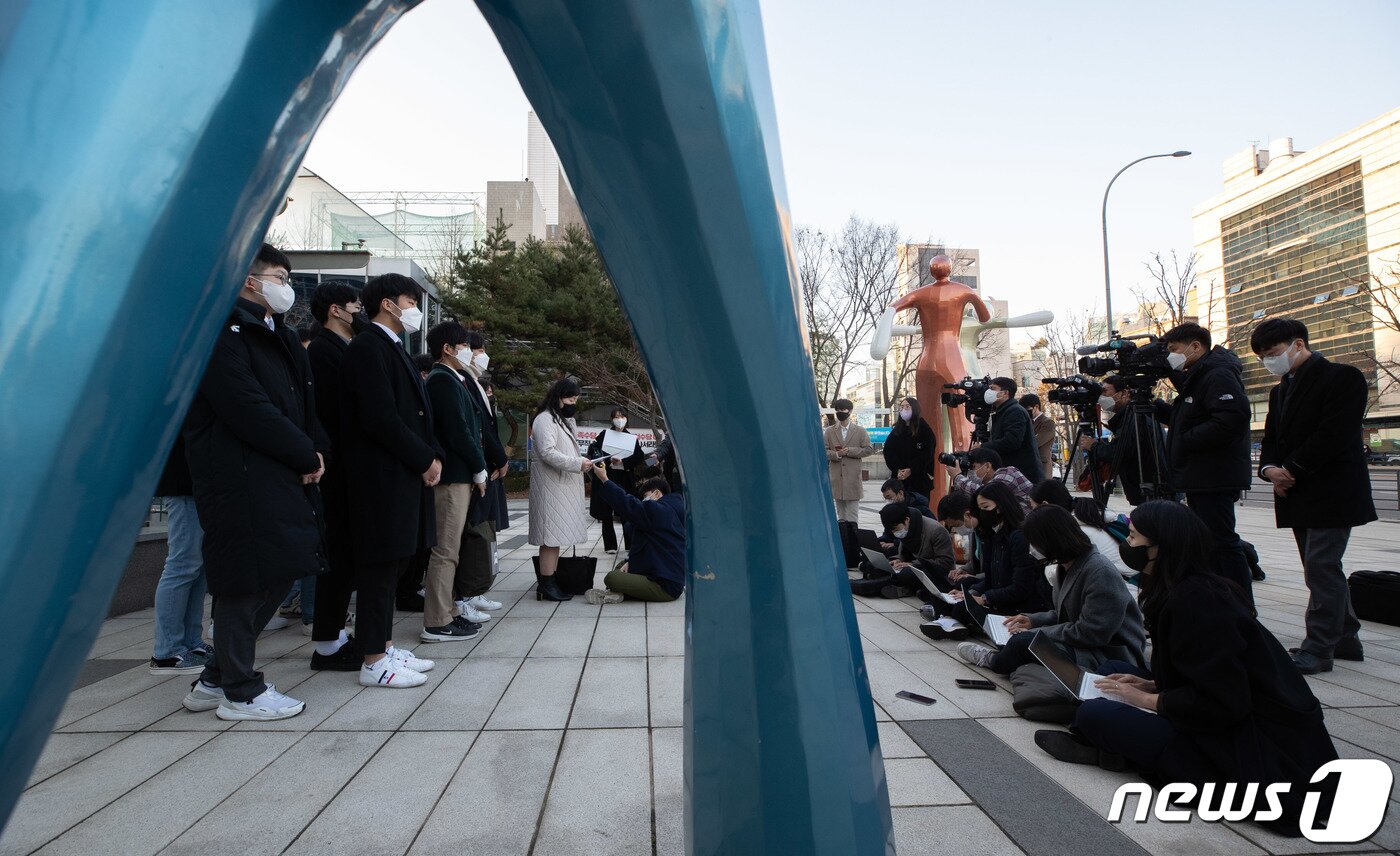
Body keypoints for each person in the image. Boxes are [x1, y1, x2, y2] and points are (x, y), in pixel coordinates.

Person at [1034, 501, 1338, 838]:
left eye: (1133, 537)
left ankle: (1114, 747)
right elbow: (1198, 672)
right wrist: (1150, 684)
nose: (1126, 545)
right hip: (1217, 710)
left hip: (1245, 738)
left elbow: (1223, 703)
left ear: (1162, 547)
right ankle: (1114, 744)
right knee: (1111, 670)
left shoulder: (1195, 604)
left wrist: (1149, 700)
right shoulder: (1185, 588)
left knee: (1095, 714)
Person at [180, 244, 325, 721]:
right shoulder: (223, 333)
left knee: (283, 567)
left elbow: (301, 405)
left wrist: (312, 451)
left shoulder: (274, 334)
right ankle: (240, 690)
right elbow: (247, 407)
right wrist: (302, 451)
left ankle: (216, 677)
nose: (287, 287)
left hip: (276, 472)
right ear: (250, 279)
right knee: (245, 579)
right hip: (238, 475)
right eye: (280, 276)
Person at [1252, 318, 1377, 674]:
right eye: (1263, 357)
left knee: (1321, 568)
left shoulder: (1343, 377)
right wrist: (1269, 468)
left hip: (1331, 490)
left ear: (1299, 344)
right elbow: (1272, 436)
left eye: (1273, 353)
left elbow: (1335, 433)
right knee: (1319, 567)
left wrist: (1290, 469)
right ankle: (1345, 638)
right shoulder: (1280, 390)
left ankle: (1319, 647)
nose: (1269, 362)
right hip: (1297, 492)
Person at [341, 272, 441, 688]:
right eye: (410, 300)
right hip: (381, 476)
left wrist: (427, 456)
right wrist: (424, 458)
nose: (416, 310)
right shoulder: (369, 347)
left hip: (399, 473)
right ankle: (373, 659)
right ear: (387, 303)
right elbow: (380, 417)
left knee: (393, 563)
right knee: (378, 568)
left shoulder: (393, 346)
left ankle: (382, 643)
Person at [956, 505, 1146, 675]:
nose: (1031, 549)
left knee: (1023, 642)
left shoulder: (1099, 571)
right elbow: (1066, 613)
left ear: (1051, 539)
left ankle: (994, 661)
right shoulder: (1067, 565)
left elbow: (1091, 632)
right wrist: (1033, 620)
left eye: (1034, 542)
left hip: (1108, 655)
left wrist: (1038, 632)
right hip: (1085, 643)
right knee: (1014, 634)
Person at [1159, 322, 1254, 603]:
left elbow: (1230, 419)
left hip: (1214, 475)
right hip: (1203, 474)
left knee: (1221, 542)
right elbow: (1190, 418)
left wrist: (1185, 439)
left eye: (1174, 350)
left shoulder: (1218, 374)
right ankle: (1222, 599)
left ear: (1196, 346)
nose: (1171, 356)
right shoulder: (1200, 376)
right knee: (1211, 541)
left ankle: (1241, 604)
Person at [420, 321, 490, 642]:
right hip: (452, 476)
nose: (467, 350)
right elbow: (459, 431)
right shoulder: (442, 380)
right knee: (446, 549)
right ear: (447, 349)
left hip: (459, 474)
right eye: (462, 345)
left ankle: (449, 611)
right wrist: (479, 467)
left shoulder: (452, 378)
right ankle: (436, 620)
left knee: (453, 547)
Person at [305, 280, 363, 670]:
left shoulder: (343, 349)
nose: (358, 310)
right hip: (337, 469)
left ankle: (336, 634)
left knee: (346, 555)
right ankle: (327, 642)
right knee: (338, 553)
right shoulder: (325, 352)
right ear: (335, 311)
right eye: (354, 305)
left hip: (347, 466)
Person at [922, 481, 1050, 641]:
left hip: (1016, 606)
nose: (982, 513)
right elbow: (990, 578)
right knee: (947, 596)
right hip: (998, 599)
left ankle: (953, 621)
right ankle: (952, 621)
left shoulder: (1019, 537)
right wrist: (971, 594)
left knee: (961, 608)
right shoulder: (992, 535)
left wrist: (984, 598)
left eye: (986, 507)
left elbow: (1021, 588)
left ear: (1001, 506)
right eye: (980, 509)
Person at [149, 427, 214, 674]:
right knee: (182, 565)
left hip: (195, 482)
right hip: (184, 483)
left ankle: (191, 642)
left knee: (196, 569)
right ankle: (166, 652)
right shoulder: (179, 392)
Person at [455, 332, 509, 618]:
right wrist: (496, 458)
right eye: (474, 349)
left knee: (481, 531)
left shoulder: (474, 382)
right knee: (470, 533)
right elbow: (479, 430)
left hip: (485, 469)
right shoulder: (461, 382)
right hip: (474, 469)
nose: (479, 355)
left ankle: (473, 590)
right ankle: (462, 595)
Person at [529, 378, 590, 602]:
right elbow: (547, 452)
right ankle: (546, 584)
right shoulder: (545, 420)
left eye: (575, 399)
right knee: (550, 538)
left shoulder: (561, 420)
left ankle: (550, 581)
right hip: (551, 487)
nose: (573, 403)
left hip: (560, 486)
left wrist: (579, 461)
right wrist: (577, 464)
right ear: (558, 397)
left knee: (554, 538)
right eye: (570, 398)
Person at [586, 471, 686, 603]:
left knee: (611, 578)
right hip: (671, 576)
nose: (644, 501)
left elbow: (627, 503)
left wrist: (604, 479)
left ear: (657, 493)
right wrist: (631, 560)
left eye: (645, 496)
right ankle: (617, 593)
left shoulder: (657, 510)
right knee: (623, 565)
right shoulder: (675, 508)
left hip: (664, 587)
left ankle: (616, 592)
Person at [1078, 375, 1169, 506]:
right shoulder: (1129, 416)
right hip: (1149, 490)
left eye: (1105, 391)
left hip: (1151, 491)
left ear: (1124, 393)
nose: (1101, 397)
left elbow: (1120, 452)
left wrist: (1094, 446)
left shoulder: (1134, 418)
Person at [1028, 479, 1133, 579]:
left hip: (1118, 587)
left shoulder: (1075, 532)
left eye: (1033, 508)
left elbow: (1060, 574)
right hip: (1126, 582)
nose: (1030, 514)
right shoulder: (1087, 515)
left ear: (1045, 505)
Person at [588, 407, 649, 553]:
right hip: (606, 476)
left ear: (626, 418)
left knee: (626, 510)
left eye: (622, 416)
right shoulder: (604, 435)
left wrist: (623, 462)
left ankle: (630, 543)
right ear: (611, 419)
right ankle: (610, 546)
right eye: (616, 416)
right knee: (606, 512)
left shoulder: (631, 438)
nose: (619, 419)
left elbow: (639, 457)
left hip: (624, 477)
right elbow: (594, 453)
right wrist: (609, 461)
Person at [871, 502, 955, 599]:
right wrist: (898, 560)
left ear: (906, 520)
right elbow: (904, 553)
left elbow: (946, 564)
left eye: (895, 529)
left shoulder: (936, 531)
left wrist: (912, 564)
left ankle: (878, 586)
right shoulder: (908, 528)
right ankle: (903, 588)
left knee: (906, 574)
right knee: (878, 566)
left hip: (935, 571)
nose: (895, 533)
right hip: (914, 567)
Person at [977, 377, 1041, 482]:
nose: (989, 392)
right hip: (1013, 473)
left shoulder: (1015, 411)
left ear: (1005, 393)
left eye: (993, 389)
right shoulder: (1003, 411)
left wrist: (982, 447)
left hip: (1022, 476)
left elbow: (1011, 442)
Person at [824, 398, 874, 524]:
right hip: (836, 480)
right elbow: (823, 451)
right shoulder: (829, 431)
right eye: (838, 410)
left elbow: (868, 449)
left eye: (843, 409)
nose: (840, 412)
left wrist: (850, 451)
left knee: (852, 516)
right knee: (840, 516)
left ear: (850, 411)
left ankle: (853, 540)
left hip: (853, 480)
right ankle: (843, 541)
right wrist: (836, 454)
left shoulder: (860, 431)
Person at [945, 446, 1033, 510]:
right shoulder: (990, 484)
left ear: (987, 466)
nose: (971, 472)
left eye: (973, 467)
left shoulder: (1009, 473)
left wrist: (957, 476)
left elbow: (984, 493)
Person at [883, 396, 936, 498]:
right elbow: (888, 451)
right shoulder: (897, 430)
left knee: (918, 510)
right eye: (902, 407)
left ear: (914, 409)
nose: (904, 410)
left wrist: (911, 469)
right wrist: (897, 469)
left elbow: (927, 454)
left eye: (907, 407)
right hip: (900, 480)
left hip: (920, 481)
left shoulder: (924, 429)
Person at [1021, 393, 1056, 478]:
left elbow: (1035, 442)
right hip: (1026, 464)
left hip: (1041, 466)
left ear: (1036, 407)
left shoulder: (1047, 423)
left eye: (1027, 409)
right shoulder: (1025, 421)